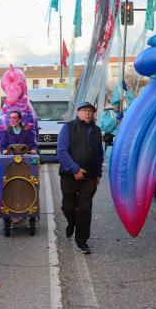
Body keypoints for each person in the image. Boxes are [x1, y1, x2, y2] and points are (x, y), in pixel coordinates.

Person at [57, 102, 103, 254]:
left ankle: (82, 240)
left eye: (90, 111)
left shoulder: (96, 130)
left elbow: (99, 153)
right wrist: (75, 168)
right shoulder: (68, 127)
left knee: (85, 209)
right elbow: (61, 151)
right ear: (78, 112)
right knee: (68, 206)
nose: (88, 113)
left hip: (90, 176)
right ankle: (71, 221)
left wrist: (98, 173)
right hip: (69, 175)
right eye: (84, 110)